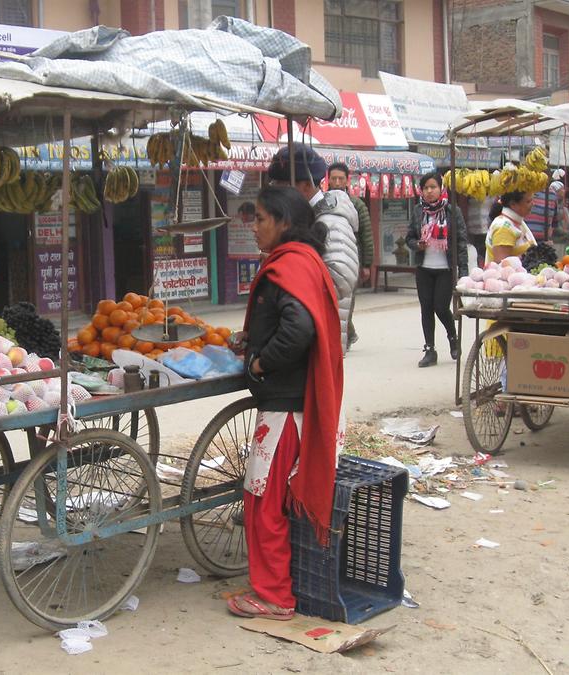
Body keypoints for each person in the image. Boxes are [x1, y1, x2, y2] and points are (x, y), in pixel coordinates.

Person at [226, 186, 343, 621]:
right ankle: (275, 588)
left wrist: (260, 362)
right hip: (299, 402)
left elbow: (299, 329)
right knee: (271, 500)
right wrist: (253, 339)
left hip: (286, 408)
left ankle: (274, 597)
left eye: (259, 219)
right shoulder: (304, 262)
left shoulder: (288, 266)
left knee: (263, 500)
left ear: (284, 222)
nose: (253, 227)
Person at [267, 146, 359, 352]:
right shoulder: (302, 217)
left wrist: (290, 292)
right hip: (304, 333)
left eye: (282, 185)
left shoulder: (331, 222)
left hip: (320, 334)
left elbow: (341, 279)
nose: (277, 192)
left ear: (307, 185)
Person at [406, 173, 468, 368]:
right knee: (426, 308)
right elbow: (409, 238)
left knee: (441, 307)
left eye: (433, 187)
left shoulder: (452, 211)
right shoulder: (418, 211)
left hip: (445, 269)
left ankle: (452, 336)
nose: (429, 191)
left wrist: (464, 271)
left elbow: (461, 241)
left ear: (441, 188)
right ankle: (429, 350)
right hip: (424, 268)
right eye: (425, 188)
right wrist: (418, 244)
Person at [327, 162, 372, 348]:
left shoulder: (357, 205)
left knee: (347, 300)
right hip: (328, 258)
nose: (337, 182)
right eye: (334, 178)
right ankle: (347, 334)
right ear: (327, 180)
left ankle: (343, 339)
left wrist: (367, 264)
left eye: (341, 179)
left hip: (352, 259)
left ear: (347, 181)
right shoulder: (323, 201)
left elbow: (366, 235)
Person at [484, 191, 536, 265]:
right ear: (513, 204)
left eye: (532, 200)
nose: (533, 204)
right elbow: (503, 268)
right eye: (528, 201)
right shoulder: (503, 228)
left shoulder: (516, 221)